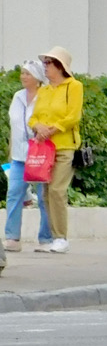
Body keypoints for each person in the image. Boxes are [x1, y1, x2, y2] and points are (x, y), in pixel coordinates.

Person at [28, 46, 83, 254]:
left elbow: (73, 116)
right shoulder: (44, 90)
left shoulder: (74, 86)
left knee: (58, 190)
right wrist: (37, 127)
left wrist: (52, 129)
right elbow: (34, 117)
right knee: (45, 194)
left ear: (60, 66)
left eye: (49, 63)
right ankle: (53, 236)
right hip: (44, 149)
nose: (45, 67)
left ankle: (61, 237)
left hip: (65, 146)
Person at [5, 59, 52, 252]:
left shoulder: (46, 97)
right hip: (18, 156)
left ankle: (46, 238)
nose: (23, 76)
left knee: (44, 197)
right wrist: (10, 152)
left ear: (38, 78)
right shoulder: (17, 97)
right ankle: (12, 238)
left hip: (40, 154)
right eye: (23, 73)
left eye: (28, 73)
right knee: (14, 194)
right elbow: (13, 127)